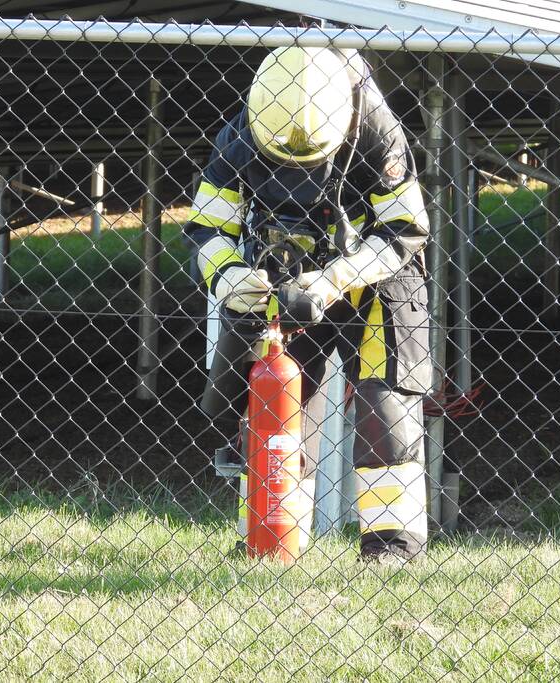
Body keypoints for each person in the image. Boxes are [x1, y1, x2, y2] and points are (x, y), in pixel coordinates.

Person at [184, 46, 431, 563]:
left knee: (385, 411)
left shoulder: (378, 129)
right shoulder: (240, 133)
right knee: (277, 404)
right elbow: (208, 225)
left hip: (377, 277)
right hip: (286, 272)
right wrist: (228, 275)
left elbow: (406, 228)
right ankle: (270, 538)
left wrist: (340, 276)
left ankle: (392, 550)